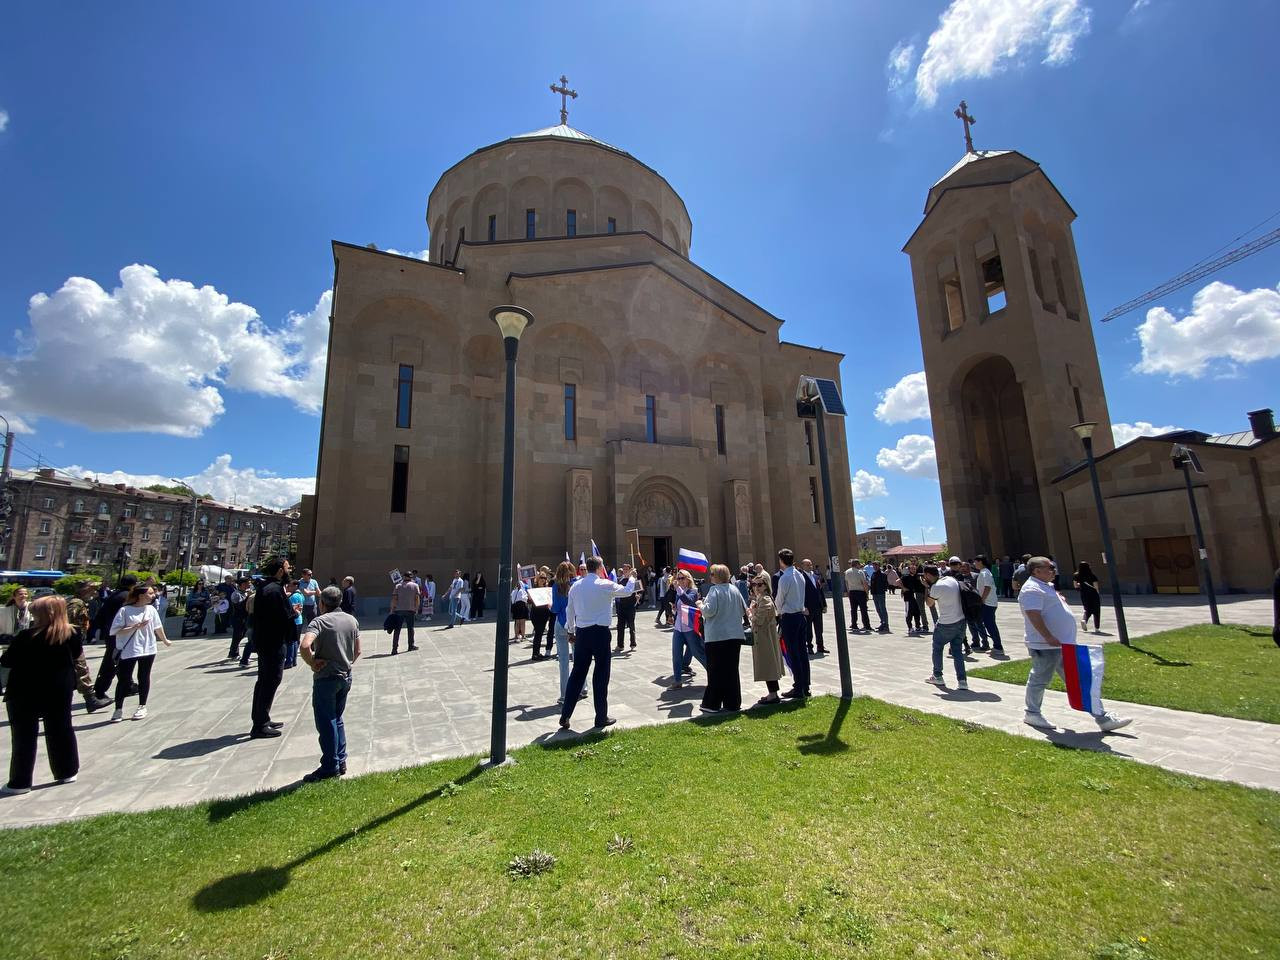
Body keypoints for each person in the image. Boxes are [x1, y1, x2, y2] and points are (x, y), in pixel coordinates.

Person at [1019, 557, 1132, 732]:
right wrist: (1048, 636)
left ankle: (1102, 717)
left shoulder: (1045, 586)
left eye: (1053, 567)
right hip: (1046, 645)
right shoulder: (1031, 589)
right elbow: (1033, 615)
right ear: (1036, 571)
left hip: (1063, 644)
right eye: (1049, 568)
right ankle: (1032, 713)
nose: (1053, 570)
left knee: (1079, 680)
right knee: (1040, 679)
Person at [1, 596, 83, 794]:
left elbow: (7, 661)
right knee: (61, 729)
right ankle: (67, 771)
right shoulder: (71, 633)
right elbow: (77, 654)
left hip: (24, 690)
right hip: (59, 689)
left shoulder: (27, 636)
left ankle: (20, 782)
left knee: (24, 736)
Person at [558, 557, 633, 731]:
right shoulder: (604, 584)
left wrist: (570, 630)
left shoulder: (576, 586)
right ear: (599, 568)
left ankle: (565, 714)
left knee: (577, 674)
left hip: (582, 633)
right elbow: (628, 591)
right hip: (600, 632)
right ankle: (601, 717)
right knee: (601, 675)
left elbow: (570, 610)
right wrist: (632, 576)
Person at [299, 585, 362, 782]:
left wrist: (312, 663)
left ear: (322, 603)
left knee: (326, 722)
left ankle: (329, 766)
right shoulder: (351, 620)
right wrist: (346, 662)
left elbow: (305, 645)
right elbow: (358, 651)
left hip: (326, 677)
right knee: (337, 718)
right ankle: (341, 760)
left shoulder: (320, 621)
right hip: (345, 676)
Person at [107, 583, 172, 721]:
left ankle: (142, 705)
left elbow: (157, 626)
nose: (153, 595)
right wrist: (134, 627)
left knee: (144, 677)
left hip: (148, 648)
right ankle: (118, 709)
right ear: (141, 595)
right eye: (150, 593)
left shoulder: (151, 609)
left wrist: (165, 640)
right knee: (124, 679)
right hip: (129, 649)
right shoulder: (125, 610)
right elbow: (114, 630)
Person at [248, 557, 295, 739]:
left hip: (267, 640)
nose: (289, 570)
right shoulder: (273, 590)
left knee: (265, 680)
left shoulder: (267, 588)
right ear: (280, 571)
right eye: (287, 567)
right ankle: (260, 724)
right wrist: (293, 613)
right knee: (270, 680)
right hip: (272, 642)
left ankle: (262, 718)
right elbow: (280, 616)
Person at [699, 564, 747, 713]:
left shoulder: (714, 590)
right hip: (734, 635)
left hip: (717, 637)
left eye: (712, 574)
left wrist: (701, 604)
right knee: (732, 671)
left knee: (715, 671)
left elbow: (709, 611)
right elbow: (742, 610)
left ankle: (712, 704)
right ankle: (733, 703)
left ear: (718, 576)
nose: (710, 577)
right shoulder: (734, 589)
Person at [922, 559, 969, 690]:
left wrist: (927, 587)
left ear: (928, 576)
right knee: (957, 651)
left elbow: (929, 604)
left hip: (946, 623)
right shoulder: (950, 579)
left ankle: (937, 676)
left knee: (937, 648)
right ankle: (962, 680)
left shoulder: (936, 587)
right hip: (961, 621)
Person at [91, 575, 137, 701]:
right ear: (133, 584)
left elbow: (100, 615)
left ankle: (127, 685)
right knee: (112, 662)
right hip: (119, 634)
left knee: (122, 661)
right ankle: (99, 691)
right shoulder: (127, 597)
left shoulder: (114, 595)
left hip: (112, 633)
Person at [774, 549, 810, 700]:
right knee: (802, 652)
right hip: (801, 616)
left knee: (793, 653)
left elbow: (779, 600)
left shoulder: (785, 578)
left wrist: (778, 612)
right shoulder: (800, 575)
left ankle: (798, 687)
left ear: (781, 561)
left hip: (789, 618)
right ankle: (805, 685)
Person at [747, 574, 783, 704]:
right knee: (768, 665)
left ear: (766, 585)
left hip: (765, 637)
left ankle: (773, 695)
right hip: (763, 636)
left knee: (769, 665)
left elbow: (759, 620)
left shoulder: (766, 599)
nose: (756, 587)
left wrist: (750, 613)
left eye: (760, 584)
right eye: (754, 584)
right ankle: (772, 693)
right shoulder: (760, 598)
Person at [668, 569, 705, 689]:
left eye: (682, 578)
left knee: (697, 653)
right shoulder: (680, 592)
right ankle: (677, 680)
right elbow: (680, 607)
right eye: (678, 578)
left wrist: (678, 589)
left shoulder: (693, 591)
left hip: (689, 628)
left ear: (688, 579)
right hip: (679, 627)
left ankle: (714, 674)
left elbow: (688, 601)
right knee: (676, 654)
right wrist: (674, 611)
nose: (679, 580)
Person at [550, 561, 579, 703]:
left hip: (561, 623)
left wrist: (550, 606)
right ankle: (582, 688)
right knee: (578, 658)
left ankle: (564, 695)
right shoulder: (577, 584)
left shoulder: (556, 586)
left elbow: (555, 608)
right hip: (575, 623)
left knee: (563, 661)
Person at [973, 555, 1004, 652]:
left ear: (980, 562)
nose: (974, 564)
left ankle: (998, 646)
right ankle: (996, 644)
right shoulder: (983, 572)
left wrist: (982, 600)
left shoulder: (985, 573)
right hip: (988, 603)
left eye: (975, 562)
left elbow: (988, 587)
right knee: (988, 624)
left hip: (988, 603)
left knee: (990, 625)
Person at [799, 559, 827, 655]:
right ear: (802, 565)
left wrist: (824, 604)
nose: (810, 566)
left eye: (810, 564)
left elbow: (820, 591)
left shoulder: (815, 576)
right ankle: (809, 646)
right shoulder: (801, 577)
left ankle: (820, 646)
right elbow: (800, 594)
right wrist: (803, 607)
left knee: (819, 628)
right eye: (807, 565)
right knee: (808, 628)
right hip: (808, 608)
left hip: (818, 607)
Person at [390, 574, 421, 654]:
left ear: (404, 577)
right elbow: (417, 598)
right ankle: (410, 646)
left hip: (399, 610)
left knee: (397, 630)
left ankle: (394, 649)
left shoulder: (398, 586)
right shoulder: (415, 585)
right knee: (410, 628)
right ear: (411, 578)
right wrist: (416, 608)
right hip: (410, 610)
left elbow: (394, 599)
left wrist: (392, 609)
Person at [613, 563, 640, 651]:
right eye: (623, 569)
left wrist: (638, 596)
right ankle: (620, 645)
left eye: (626, 569)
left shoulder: (634, 580)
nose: (624, 571)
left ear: (630, 570)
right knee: (620, 626)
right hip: (621, 606)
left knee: (631, 626)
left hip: (630, 606)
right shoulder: (620, 580)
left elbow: (639, 591)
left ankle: (633, 643)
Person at [226, 577, 251, 662]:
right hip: (237, 617)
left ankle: (233, 652)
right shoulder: (236, 594)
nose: (249, 584)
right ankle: (234, 653)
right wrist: (248, 598)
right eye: (248, 583)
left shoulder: (246, 593)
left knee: (242, 634)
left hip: (245, 617)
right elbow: (239, 606)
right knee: (237, 635)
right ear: (243, 584)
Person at [529, 571, 553, 659]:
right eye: (541, 578)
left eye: (545, 578)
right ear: (538, 579)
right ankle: (535, 654)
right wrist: (530, 598)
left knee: (540, 633)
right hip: (536, 613)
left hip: (544, 614)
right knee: (538, 633)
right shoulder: (534, 588)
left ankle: (537, 653)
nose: (543, 580)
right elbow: (529, 601)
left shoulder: (547, 589)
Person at [844, 559, 871, 633]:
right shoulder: (860, 572)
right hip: (860, 592)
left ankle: (854, 624)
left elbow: (846, 583)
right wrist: (867, 593)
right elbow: (864, 583)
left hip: (852, 592)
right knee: (863, 609)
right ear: (857, 564)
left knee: (853, 609)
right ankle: (866, 625)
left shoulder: (847, 572)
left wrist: (848, 592)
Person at [1073, 561, 1101, 632]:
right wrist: (1098, 593)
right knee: (1096, 610)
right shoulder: (1092, 575)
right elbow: (1096, 586)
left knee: (1087, 609)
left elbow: (1075, 586)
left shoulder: (1076, 575)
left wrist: (1080, 586)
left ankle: (1084, 620)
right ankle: (1097, 628)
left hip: (1084, 594)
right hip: (1093, 594)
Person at [869, 561, 891, 633]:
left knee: (882, 609)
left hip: (880, 593)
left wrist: (882, 589)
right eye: (873, 566)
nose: (874, 567)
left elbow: (886, 584)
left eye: (876, 566)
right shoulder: (873, 574)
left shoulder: (882, 574)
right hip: (874, 593)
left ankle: (886, 625)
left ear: (879, 566)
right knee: (878, 609)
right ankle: (882, 623)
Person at [510, 578, 531, 642]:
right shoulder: (522, 591)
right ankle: (523, 635)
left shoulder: (514, 591)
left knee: (517, 622)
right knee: (522, 623)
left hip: (515, 607)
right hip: (522, 607)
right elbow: (525, 599)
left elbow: (512, 600)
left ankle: (516, 636)